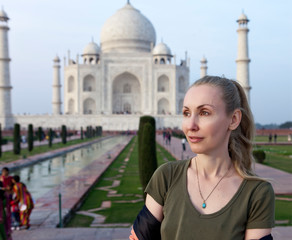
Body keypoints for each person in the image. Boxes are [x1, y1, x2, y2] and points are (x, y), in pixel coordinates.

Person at [130, 76, 275, 240]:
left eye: (204, 112)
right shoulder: (167, 177)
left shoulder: (256, 192)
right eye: (186, 113)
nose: (191, 125)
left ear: (233, 119)